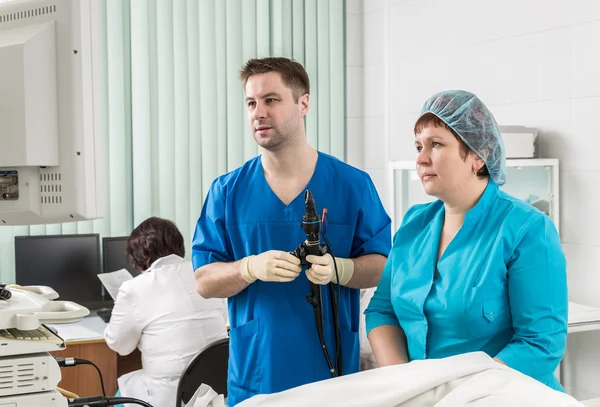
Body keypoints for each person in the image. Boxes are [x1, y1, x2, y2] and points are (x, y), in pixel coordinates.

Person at [191, 57, 392, 406]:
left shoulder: (352, 185)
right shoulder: (228, 192)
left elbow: (383, 265)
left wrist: (343, 269)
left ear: (304, 104)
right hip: (257, 377)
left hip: (330, 377)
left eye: (271, 99)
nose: (258, 112)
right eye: (251, 103)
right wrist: (248, 268)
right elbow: (204, 280)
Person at [365, 89, 568, 391]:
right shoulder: (414, 223)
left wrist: (454, 394)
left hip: (502, 395)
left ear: (478, 155)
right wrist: (406, 384)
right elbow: (382, 310)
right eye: (419, 146)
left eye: (436, 144)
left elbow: (540, 344)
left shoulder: (527, 228)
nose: (421, 159)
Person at [104, 217, 228, 407]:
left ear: (139, 257)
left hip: (169, 396)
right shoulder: (206, 273)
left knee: (120, 392)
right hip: (217, 392)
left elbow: (120, 346)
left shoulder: (134, 289)